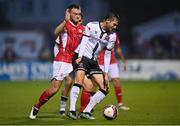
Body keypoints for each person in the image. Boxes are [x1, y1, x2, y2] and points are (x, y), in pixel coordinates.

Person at [29, 4, 84, 119]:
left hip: (71, 60)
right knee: (54, 89)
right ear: (69, 14)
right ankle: (36, 106)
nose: (78, 16)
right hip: (62, 60)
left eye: (79, 14)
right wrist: (65, 20)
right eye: (75, 14)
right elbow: (55, 31)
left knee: (71, 82)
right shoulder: (66, 25)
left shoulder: (81, 28)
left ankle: (68, 109)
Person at [67, 12, 119, 120]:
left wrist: (105, 73)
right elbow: (84, 41)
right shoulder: (91, 25)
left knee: (105, 88)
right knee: (79, 80)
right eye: (114, 24)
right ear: (107, 20)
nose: (115, 27)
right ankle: (71, 110)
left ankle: (86, 111)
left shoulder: (112, 36)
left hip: (93, 62)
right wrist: (80, 57)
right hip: (81, 56)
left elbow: (107, 54)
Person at [79, 34, 130, 116]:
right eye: (113, 24)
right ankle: (89, 106)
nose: (114, 26)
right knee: (94, 84)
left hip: (112, 61)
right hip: (100, 62)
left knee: (116, 81)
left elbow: (118, 48)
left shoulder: (114, 35)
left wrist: (124, 61)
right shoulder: (99, 33)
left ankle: (120, 104)